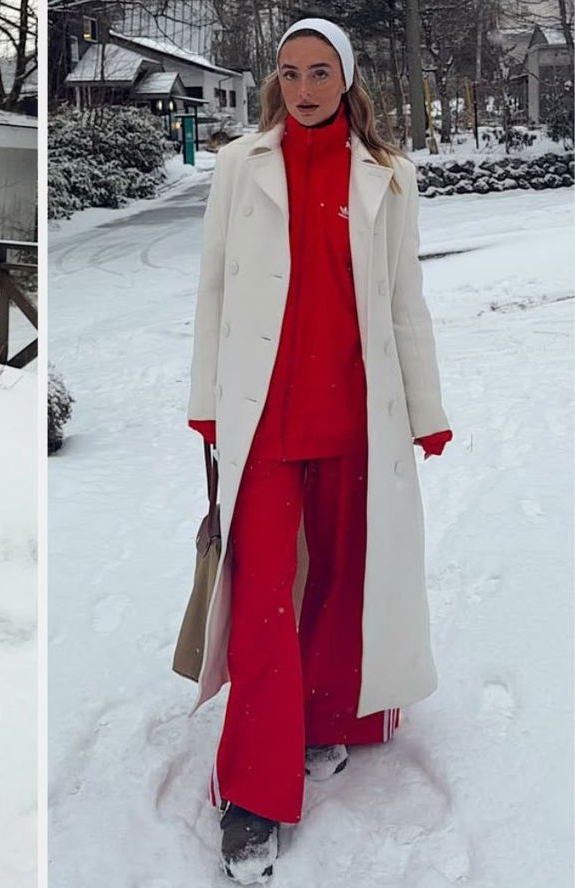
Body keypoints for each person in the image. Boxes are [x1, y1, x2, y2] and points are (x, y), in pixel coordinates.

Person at [185, 17, 451, 884]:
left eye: (320, 73)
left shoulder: (389, 176)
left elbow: (405, 301)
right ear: (276, 79)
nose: (304, 88)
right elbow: (214, 289)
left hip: (357, 416)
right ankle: (255, 794)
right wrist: (205, 404)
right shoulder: (238, 165)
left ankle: (328, 717)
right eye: (291, 72)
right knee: (262, 599)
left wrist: (425, 407)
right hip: (261, 420)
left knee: (343, 580)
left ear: (346, 80)